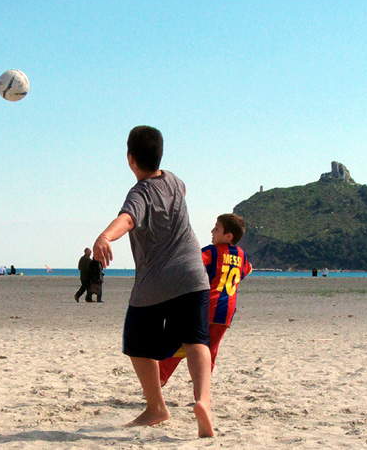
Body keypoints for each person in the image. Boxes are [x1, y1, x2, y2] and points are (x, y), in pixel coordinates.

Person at [93, 125, 214, 438]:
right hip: (194, 276)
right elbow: (183, 192)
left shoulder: (139, 193)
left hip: (156, 282)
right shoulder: (174, 179)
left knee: (136, 342)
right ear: (160, 155)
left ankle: (156, 407)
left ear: (130, 159)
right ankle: (203, 401)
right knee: (196, 340)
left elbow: (127, 219)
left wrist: (105, 237)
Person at [159, 213, 253, 387]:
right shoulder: (241, 254)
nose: (212, 231)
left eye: (217, 229)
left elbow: (189, 266)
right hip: (226, 312)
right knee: (209, 352)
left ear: (228, 236)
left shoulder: (211, 252)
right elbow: (248, 269)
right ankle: (202, 392)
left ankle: (160, 379)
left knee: (180, 344)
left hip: (205, 307)